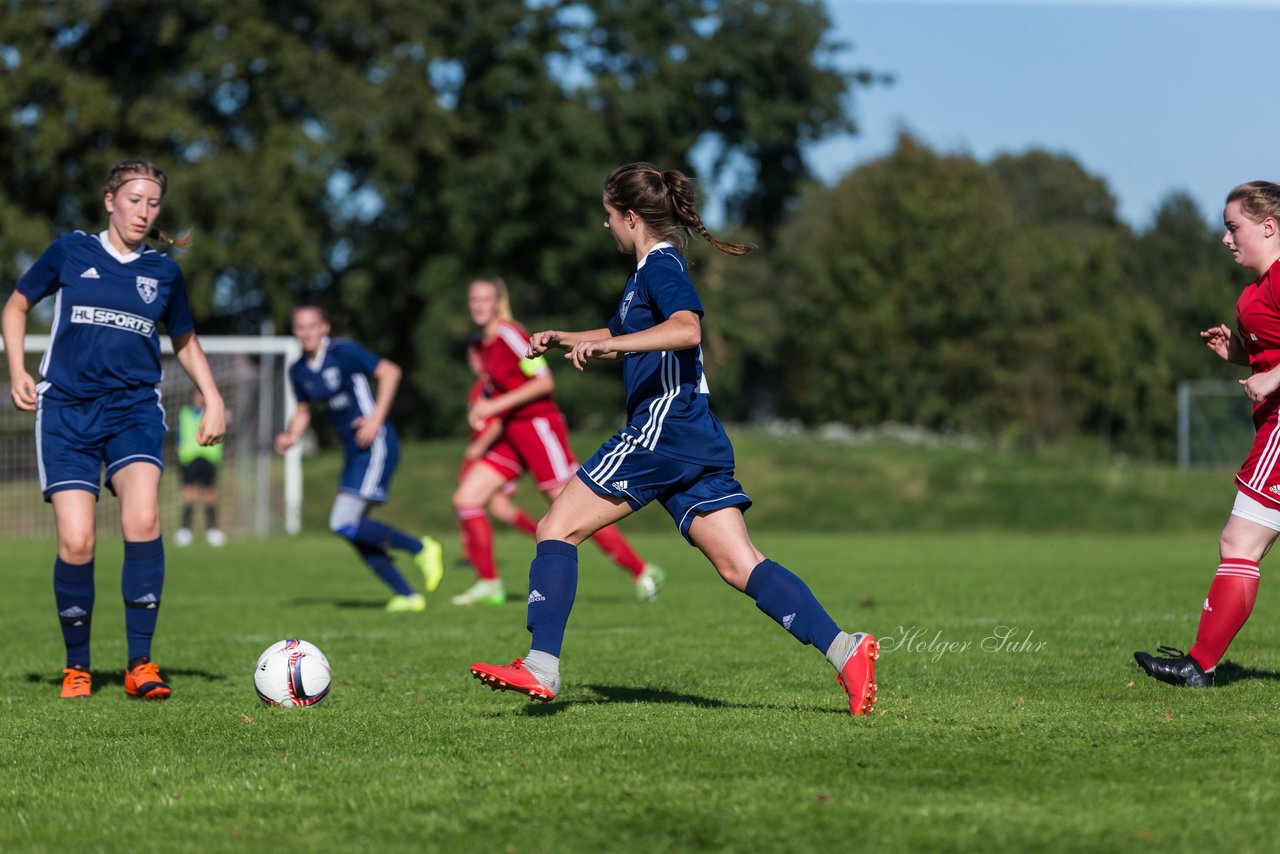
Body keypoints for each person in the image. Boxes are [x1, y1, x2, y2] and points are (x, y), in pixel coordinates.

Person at [469, 163, 879, 716]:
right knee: (741, 565)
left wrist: (621, 346)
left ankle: (541, 665)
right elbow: (625, 333)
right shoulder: (646, 274)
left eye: (609, 218)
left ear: (631, 218)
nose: (606, 227)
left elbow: (686, 329)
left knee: (555, 527)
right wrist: (571, 338)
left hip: (663, 424)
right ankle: (846, 650)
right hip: (694, 433)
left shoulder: (660, 266)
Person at [2, 158, 226, 700]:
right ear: (110, 201)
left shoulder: (164, 273)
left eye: (153, 204)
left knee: (145, 517)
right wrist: (16, 369)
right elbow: (16, 304)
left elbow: (185, 340)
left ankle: (140, 664)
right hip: (67, 413)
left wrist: (214, 397)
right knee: (77, 541)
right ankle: (77, 666)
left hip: (133, 411)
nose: (143, 212)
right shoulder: (71, 252)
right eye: (133, 201)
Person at [1135, 181, 1280, 688]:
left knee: (1238, 541)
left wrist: (1272, 378)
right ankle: (1200, 664)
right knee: (1240, 544)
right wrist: (1237, 353)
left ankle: (1199, 665)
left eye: (1232, 226)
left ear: (1268, 227)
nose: (1226, 238)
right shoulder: (1254, 292)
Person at [451, 276, 665, 606]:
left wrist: (492, 406)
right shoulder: (478, 344)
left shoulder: (510, 334)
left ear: (497, 303)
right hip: (511, 434)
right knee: (467, 498)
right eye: (473, 300)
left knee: (573, 508)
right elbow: (493, 388)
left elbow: (543, 382)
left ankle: (642, 570)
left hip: (538, 429)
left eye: (485, 299)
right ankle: (489, 583)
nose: (478, 305)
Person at [274, 304, 443, 612]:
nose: (307, 332)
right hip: (354, 452)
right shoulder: (298, 370)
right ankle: (407, 595)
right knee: (353, 529)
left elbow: (390, 371)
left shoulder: (345, 351)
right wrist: (291, 436)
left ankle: (421, 548)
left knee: (342, 522)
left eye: (313, 325)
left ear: (325, 327)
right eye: (300, 327)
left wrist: (375, 419)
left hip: (375, 443)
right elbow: (302, 411)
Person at [457, 352, 540, 561]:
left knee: (468, 500)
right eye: (473, 357)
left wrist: (481, 445)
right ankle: (476, 557)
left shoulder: (499, 384)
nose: (477, 361)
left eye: (480, 356)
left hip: (497, 453)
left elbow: (499, 421)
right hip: (490, 454)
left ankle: (484, 571)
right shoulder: (478, 387)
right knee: (499, 509)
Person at [175, 389, 227, 547]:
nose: (200, 399)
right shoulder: (184, 413)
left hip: (209, 457)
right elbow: (179, 435)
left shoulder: (213, 414)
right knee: (189, 495)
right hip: (189, 458)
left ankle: (212, 530)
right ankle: (185, 530)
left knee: (209, 495)